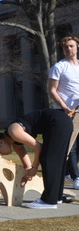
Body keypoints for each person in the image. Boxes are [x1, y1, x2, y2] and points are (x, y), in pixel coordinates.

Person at [0, 108, 73, 209]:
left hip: (57, 122)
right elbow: (26, 163)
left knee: (47, 159)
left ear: (1, 142)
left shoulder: (13, 131)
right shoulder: (15, 142)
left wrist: (34, 168)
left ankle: (49, 201)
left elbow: (38, 147)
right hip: (61, 122)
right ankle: (56, 197)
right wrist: (27, 175)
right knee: (57, 160)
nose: (1, 155)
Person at [47, 36, 79, 190]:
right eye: (66, 47)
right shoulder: (59, 67)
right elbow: (52, 90)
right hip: (67, 112)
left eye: (71, 46)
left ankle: (67, 171)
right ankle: (76, 177)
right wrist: (65, 106)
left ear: (77, 47)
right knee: (70, 145)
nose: (69, 49)